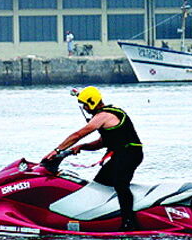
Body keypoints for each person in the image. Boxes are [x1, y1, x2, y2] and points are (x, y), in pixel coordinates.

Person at [43, 86, 143, 230]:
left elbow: (78, 135)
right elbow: (103, 142)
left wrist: (57, 150)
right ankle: (105, 217)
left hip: (130, 154)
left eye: (85, 104)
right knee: (99, 184)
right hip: (122, 154)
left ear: (91, 102)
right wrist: (82, 147)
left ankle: (129, 223)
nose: (84, 108)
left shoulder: (103, 116)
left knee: (120, 185)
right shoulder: (105, 116)